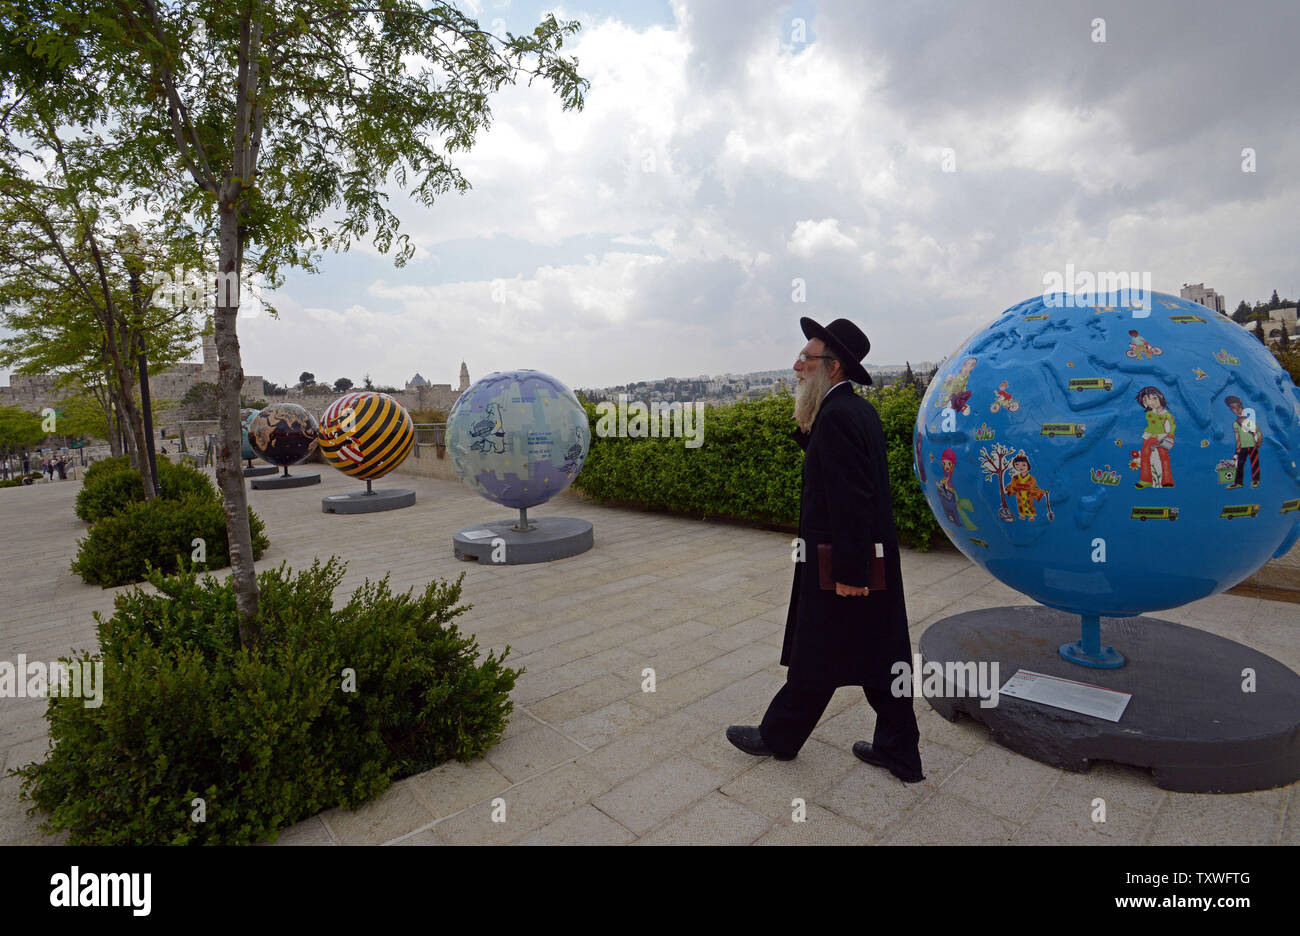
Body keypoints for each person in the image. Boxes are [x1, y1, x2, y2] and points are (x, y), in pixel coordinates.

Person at [726, 317, 924, 783]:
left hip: (843, 566)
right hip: (861, 560)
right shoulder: (849, 411)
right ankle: (898, 753)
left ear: (832, 367)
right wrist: (807, 427)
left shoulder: (838, 418)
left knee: (819, 654)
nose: (796, 365)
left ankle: (779, 738)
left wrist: (851, 573)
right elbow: (845, 477)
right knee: (873, 659)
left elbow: (852, 500)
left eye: (806, 358)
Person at [1224, 395, 1261, 489]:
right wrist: (1237, 450)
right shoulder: (1235, 424)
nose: (1237, 410)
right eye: (1233, 408)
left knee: (1254, 463)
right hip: (1243, 447)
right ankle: (1238, 483)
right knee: (1240, 464)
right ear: (1231, 410)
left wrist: (1258, 441)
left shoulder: (1250, 421)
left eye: (1238, 407)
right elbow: (1238, 438)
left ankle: (1255, 481)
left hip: (1252, 445)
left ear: (1242, 407)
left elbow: (1258, 432)